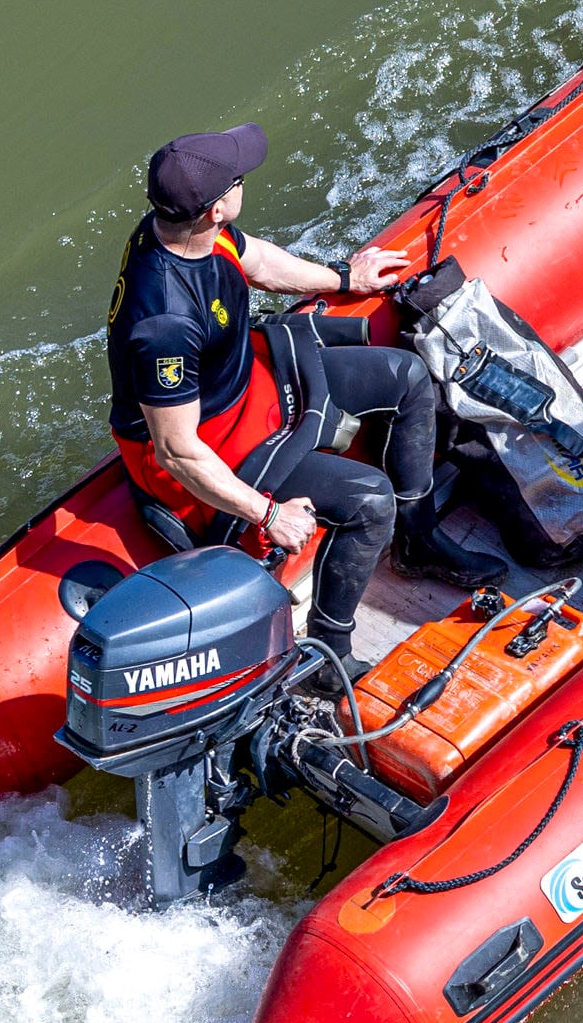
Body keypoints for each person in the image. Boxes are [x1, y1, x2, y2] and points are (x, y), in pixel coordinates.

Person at [105, 122, 491, 657]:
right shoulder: (164, 321)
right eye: (238, 180)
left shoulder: (186, 229)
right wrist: (267, 515)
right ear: (216, 209)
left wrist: (346, 278)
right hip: (214, 444)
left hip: (247, 385)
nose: (244, 183)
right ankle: (332, 654)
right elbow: (177, 451)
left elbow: (259, 262)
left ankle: (418, 539)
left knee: (406, 375)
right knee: (368, 500)